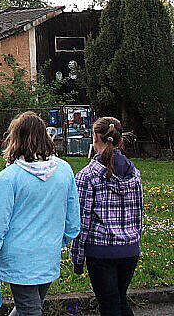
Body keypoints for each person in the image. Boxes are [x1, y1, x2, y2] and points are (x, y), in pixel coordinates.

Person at [0, 111, 81, 316]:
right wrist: (59, 240)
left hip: (19, 257)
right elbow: (73, 222)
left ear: (15, 139)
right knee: (29, 308)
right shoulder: (64, 171)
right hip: (48, 253)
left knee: (29, 309)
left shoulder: (9, 177)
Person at [71, 117, 142, 316]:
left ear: (95, 138)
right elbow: (138, 214)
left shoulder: (87, 176)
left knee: (110, 305)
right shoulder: (134, 173)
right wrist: (135, 241)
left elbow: (82, 221)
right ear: (120, 140)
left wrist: (77, 258)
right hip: (129, 250)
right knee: (119, 300)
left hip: (101, 252)